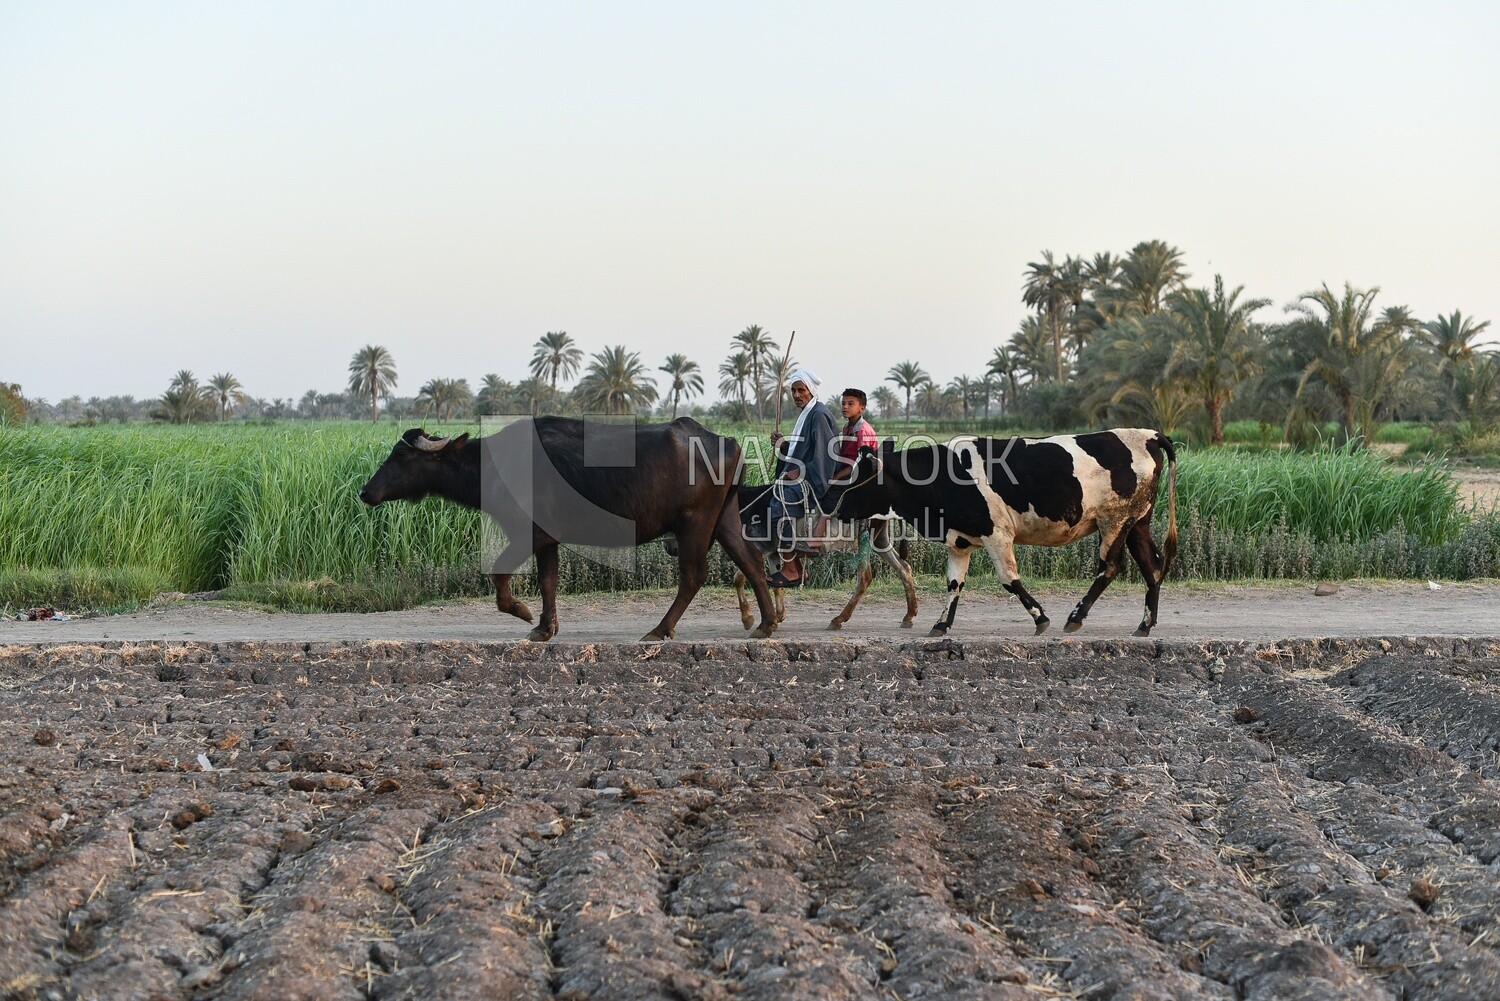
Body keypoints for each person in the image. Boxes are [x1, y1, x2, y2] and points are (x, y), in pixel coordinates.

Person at [766, 369, 837, 587]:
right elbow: (803, 450)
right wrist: (784, 445)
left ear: (811, 391)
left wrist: (800, 472)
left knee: (780, 508)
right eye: (793, 390)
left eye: (801, 390)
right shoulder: (807, 415)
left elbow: (824, 457)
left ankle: (790, 569)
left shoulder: (819, 415)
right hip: (803, 475)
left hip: (814, 480)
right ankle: (795, 567)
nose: (797, 395)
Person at [833, 387, 879, 482]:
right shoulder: (847, 427)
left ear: (862, 408)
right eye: (843, 403)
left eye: (850, 404)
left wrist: (838, 475)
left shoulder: (863, 430)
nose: (845, 407)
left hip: (860, 475)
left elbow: (861, 461)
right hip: (847, 470)